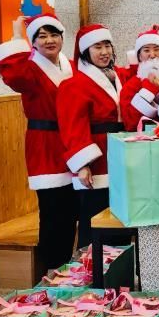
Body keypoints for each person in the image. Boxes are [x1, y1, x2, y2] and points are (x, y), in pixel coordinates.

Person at [0, 13, 77, 273]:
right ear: (33, 42)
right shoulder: (28, 68)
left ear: (62, 37)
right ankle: (52, 269)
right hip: (45, 144)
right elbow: (13, 77)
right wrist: (17, 36)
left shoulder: (71, 66)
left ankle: (71, 267)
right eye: (42, 36)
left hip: (75, 141)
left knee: (72, 210)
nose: (49, 40)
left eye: (54, 35)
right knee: (52, 211)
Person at [57, 24, 130, 248]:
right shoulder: (73, 85)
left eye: (107, 46)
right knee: (94, 215)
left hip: (120, 153)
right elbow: (73, 125)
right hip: (97, 160)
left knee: (120, 217)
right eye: (97, 47)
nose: (104, 52)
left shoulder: (120, 78)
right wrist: (82, 164)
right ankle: (93, 265)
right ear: (85, 51)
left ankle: (121, 262)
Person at [119, 25, 159, 131]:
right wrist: (149, 90)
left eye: (157, 49)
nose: (152, 55)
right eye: (146, 50)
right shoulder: (130, 85)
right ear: (139, 56)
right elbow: (130, 123)